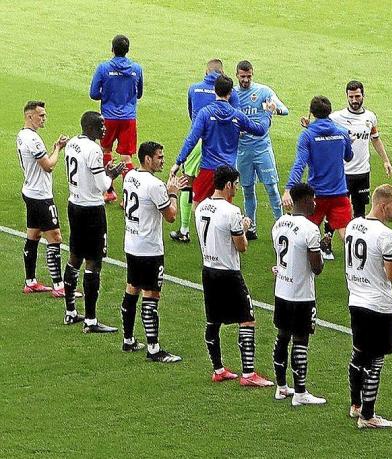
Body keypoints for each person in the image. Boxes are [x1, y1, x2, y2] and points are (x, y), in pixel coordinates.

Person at [195, 165, 274, 387]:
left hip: (208, 270)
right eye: (236, 184)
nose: (237, 189)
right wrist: (244, 227)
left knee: (213, 320)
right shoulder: (232, 212)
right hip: (228, 272)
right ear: (228, 184)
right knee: (247, 319)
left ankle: (218, 369)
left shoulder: (201, 207)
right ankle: (248, 374)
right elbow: (241, 247)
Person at [345, 184, 392, 429]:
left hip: (356, 300)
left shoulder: (354, 225)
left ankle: (355, 405)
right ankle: (368, 416)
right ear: (383, 205)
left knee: (358, 353)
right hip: (378, 305)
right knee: (375, 360)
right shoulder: (384, 235)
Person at [121, 141, 186, 362]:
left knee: (132, 288)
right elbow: (171, 216)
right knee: (151, 294)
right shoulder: (155, 185)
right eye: (159, 157)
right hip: (149, 248)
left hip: (131, 243)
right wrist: (173, 193)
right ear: (147, 159)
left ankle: (128, 340)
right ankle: (153, 348)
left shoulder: (130, 176)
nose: (162, 160)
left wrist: (166, 191)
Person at [171, 75, 274, 210]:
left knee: (198, 208)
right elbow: (260, 130)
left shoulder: (205, 113)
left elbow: (192, 139)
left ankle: (199, 231)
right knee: (225, 211)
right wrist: (267, 113)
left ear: (214, 90)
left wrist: (178, 162)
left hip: (208, 169)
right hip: (228, 172)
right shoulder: (237, 115)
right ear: (230, 93)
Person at [63, 111, 125, 330]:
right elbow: (102, 186)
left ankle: (70, 311)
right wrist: (112, 175)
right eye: (100, 125)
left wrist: (104, 174)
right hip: (91, 209)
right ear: (89, 128)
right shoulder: (94, 149)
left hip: (74, 204)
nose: (104, 129)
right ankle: (90, 320)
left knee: (75, 256)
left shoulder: (72, 143)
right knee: (94, 262)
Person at [320, 80, 392, 259]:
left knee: (360, 210)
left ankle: (359, 244)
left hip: (362, 172)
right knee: (336, 208)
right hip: (341, 172)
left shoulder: (370, 117)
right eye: (351, 97)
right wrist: (307, 125)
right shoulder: (337, 117)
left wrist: (385, 160)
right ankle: (326, 242)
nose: (354, 100)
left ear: (363, 96)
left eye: (357, 96)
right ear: (347, 97)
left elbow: (375, 138)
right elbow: (320, 129)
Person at [170, 59, 240, 243]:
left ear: (206, 71)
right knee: (222, 185)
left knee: (188, 182)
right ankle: (223, 230)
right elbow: (237, 118)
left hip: (198, 139)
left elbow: (191, 113)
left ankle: (185, 229)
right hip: (219, 142)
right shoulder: (230, 93)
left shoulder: (194, 88)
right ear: (222, 73)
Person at [271, 183, 327, 405]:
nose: (315, 204)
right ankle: (301, 392)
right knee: (301, 339)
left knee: (282, 336)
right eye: (313, 199)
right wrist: (320, 249)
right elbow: (317, 268)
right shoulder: (310, 229)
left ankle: (281, 387)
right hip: (301, 294)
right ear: (305, 200)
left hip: (282, 290)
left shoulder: (279, 223)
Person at [282, 96, 353, 242]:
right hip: (339, 193)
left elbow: (299, 164)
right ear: (330, 111)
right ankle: (357, 263)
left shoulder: (307, 135)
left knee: (304, 234)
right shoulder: (342, 133)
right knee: (347, 235)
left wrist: (289, 189)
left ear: (311, 113)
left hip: (316, 196)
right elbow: (349, 157)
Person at [17, 100, 70, 297]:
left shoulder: (22, 135)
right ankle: (58, 286)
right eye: (41, 115)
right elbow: (48, 165)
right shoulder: (33, 140)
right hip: (40, 196)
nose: (44, 118)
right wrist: (58, 148)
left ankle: (30, 282)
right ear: (29, 116)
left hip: (30, 191)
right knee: (55, 237)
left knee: (33, 235)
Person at [236, 60, 289, 240]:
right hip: (243, 150)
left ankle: (280, 225)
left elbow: (285, 109)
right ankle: (251, 226)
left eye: (248, 76)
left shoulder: (263, 91)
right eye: (242, 77)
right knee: (247, 189)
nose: (246, 80)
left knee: (272, 188)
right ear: (237, 76)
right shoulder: (234, 95)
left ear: (253, 74)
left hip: (262, 148)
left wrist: (275, 110)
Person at [89, 34, 143, 202]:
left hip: (108, 118)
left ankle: (109, 191)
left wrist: (107, 96)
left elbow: (93, 93)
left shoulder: (103, 68)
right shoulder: (137, 69)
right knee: (126, 157)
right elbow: (139, 94)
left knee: (106, 151)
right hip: (128, 118)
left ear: (112, 49)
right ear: (127, 50)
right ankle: (130, 197)